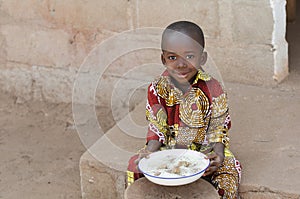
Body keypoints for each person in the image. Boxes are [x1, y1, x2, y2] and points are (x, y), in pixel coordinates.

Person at [126, 21, 242, 198]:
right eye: (172, 58)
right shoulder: (157, 88)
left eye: (189, 56)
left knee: (228, 174)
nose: (181, 65)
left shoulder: (213, 89)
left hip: (206, 150)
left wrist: (217, 155)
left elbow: (218, 129)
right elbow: (157, 128)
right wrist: (150, 152)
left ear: (202, 58)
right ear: (163, 59)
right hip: (169, 148)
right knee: (135, 166)